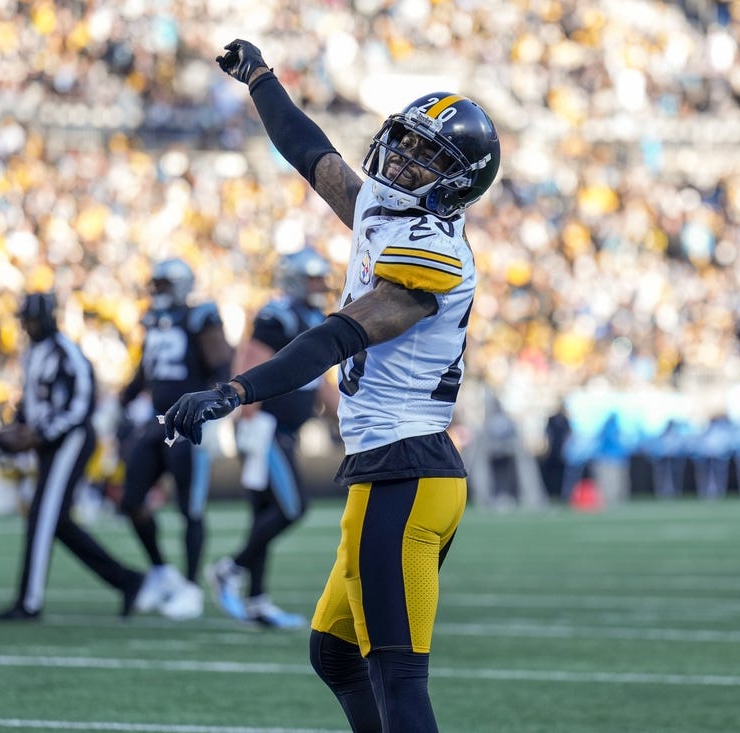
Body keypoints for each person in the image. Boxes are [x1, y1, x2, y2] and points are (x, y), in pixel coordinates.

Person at [165, 38, 500, 733]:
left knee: (397, 676)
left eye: (427, 157)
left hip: (408, 476)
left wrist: (236, 391)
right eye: (405, 142)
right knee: (336, 651)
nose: (404, 160)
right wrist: (260, 79)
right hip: (385, 469)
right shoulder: (387, 210)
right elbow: (310, 154)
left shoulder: (435, 253)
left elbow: (337, 335)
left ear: (458, 181)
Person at [0, 292, 148, 622]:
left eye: (32, 320)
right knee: (57, 522)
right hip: (51, 441)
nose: (28, 327)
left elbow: (80, 406)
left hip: (70, 440)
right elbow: (31, 402)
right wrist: (18, 427)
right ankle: (127, 579)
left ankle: (28, 603)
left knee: (42, 517)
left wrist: (38, 433)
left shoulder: (67, 352)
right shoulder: (34, 353)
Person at [206, 247, 338, 628]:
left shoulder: (313, 317)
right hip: (266, 429)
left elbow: (321, 386)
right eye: (312, 278)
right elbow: (250, 364)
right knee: (292, 507)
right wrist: (247, 421)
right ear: (295, 279)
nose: (319, 285)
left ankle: (258, 599)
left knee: (264, 512)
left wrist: (352, 420)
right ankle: (230, 569)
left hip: (285, 432)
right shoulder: (276, 315)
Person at [117, 257, 234, 620]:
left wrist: (213, 411)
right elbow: (147, 370)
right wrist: (121, 398)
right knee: (131, 500)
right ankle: (161, 572)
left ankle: (190, 587)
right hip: (157, 421)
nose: (158, 292)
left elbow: (220, 365)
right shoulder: (152, 319)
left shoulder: (201, 317)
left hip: (188, 422)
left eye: (164, 285)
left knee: (190, 509)